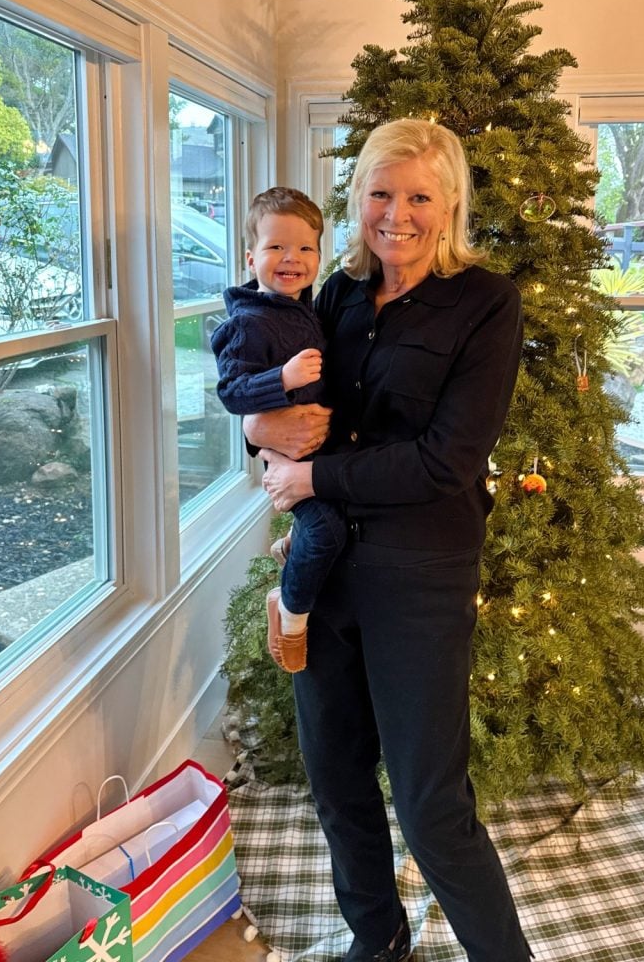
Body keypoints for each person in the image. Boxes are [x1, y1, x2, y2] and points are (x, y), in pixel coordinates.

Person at [245, 119, 532, 962]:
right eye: (379, 192)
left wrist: (315, 480)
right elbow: (280, 421)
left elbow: (449, 460)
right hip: (328, 569)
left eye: (417, 196)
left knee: (431, 802)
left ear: (449, 207)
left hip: (421, 578)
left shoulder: (487, 303)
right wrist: (270, 447)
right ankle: (379, 942)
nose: (395, 214)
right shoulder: (332, 295)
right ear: (357, 199)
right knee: (336, 782)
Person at [210, 187, 345, 673]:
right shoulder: (250, 323)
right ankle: (289, 615)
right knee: (328, 529)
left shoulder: (306, 307)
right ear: (251, 257)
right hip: (295, 461)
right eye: (276, 248)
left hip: (322, 455)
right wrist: (282, 380)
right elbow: (232, 392)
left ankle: (290, 548)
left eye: (305, 248)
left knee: (335, 522)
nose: (292, 259)